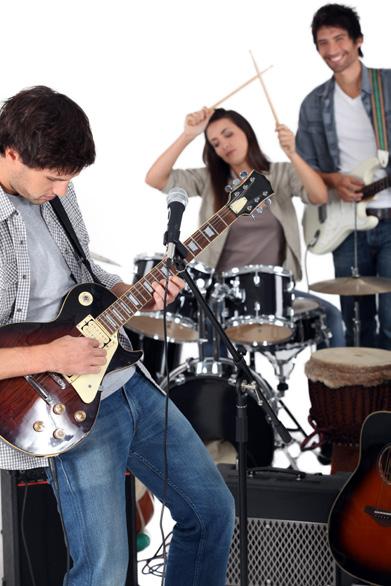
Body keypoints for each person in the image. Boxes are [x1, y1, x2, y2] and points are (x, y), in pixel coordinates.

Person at [0, 86, 235, 586]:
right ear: (11, 152)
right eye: (53, 179)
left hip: (128, 382)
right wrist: (53, 352)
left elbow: (82, 272)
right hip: (62, 407)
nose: (62, 191)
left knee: (213, 513)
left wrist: (131, 291)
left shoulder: (58, 192)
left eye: (70, 180)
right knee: (103, 572)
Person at [145, 106, 345, 349]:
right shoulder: (209, 179)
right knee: (217, 362)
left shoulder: (280, 174)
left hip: (275, 294)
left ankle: (330, 387)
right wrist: (188, 134)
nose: (224, 145)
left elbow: (320, 195)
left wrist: (293, 153)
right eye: (216, 143)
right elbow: (155, 178)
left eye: (228, 134)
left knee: (331, 317)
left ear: (246, 132)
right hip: (221, 295)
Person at [296, 3, 391, 349]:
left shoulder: (388, 85)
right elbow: (304, 170)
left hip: (390, 221)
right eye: (323, 42)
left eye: (339, 38)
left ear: (358, 40)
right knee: (357, 329)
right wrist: (334, 180)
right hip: (345, 225)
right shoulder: (312, 104)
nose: (333, 50)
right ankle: (368, 404)